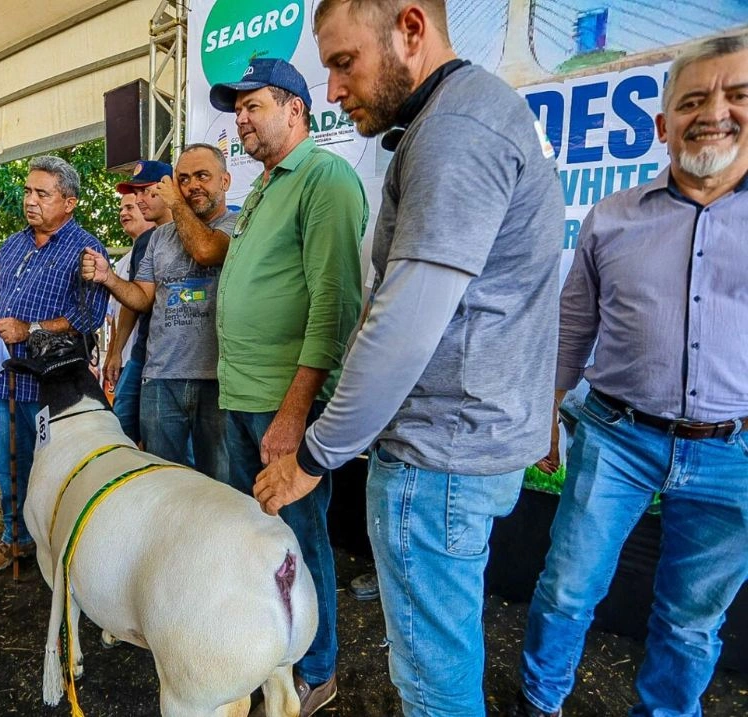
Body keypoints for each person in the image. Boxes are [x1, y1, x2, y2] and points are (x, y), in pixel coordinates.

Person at [254, 2, 564, 715]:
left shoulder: (454, 129)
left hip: (437, 458)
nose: (332, 90)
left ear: (411, 30)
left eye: (343, 62)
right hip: (460, 447)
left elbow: (405, 319)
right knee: (445, 657)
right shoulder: (468, 115)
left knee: (430, 683)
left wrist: (314, 456)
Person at [508, 34, 748, 717]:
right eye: (693, 99)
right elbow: (571, 329)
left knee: (691, 617)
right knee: (567, 587)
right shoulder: (611, 218)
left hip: (734, 453)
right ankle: (539, 699)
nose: (715, 112)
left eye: (737, 95)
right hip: (616, 437)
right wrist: (544, 413)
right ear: (662, 122)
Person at [208, 58, 369, 715]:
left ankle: (318, 668)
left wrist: (295, 410)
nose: (241, 118)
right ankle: (269, 647)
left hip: (282, 407)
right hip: (240, 399)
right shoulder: (266, 187)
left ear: (296, 109)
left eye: (255, 105)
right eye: (237, 109)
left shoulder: (325, 177)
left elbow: (335, 305)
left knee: (300, 541)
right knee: (255, 538)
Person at [0, 155, 109, 575]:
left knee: (57, 471)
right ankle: (16, 540)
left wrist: (32, 328)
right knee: (7, 466)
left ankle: (63, 546)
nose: (31, 200)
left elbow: (87, 318)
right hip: (5, 384)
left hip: (51, 389)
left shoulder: (86, 249)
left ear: (70, 202)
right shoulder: (13, 244)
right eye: (28, 191)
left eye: (43, 193)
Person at [82, 144, 237, 477]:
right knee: (162, 480)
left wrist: (176, 203)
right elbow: (142, 298)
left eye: (202, 176)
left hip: (218, 380)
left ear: (225, 180)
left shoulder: (237, 225)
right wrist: (107, 277)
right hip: (161, 378)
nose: (192, 184)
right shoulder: (157, 239)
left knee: (219, 485)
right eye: (184, 178)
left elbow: (206, 250)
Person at [105, 162, 174, 444]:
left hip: (170, 361)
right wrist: (118, 350)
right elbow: (136, 300)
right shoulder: (147, 241)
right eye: (136, 193)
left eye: (146, 191)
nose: (140, 199)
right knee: (124, 433)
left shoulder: (193, 234)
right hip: (144, 353)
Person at [103, 193, 153, 398]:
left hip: (149, 362)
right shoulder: (123, 262)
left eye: (130, 207)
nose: (123, 213)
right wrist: (114, 351)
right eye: (121, 209)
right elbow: (118, 313)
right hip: (124, 361)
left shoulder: (157, 250)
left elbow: (140, 302)